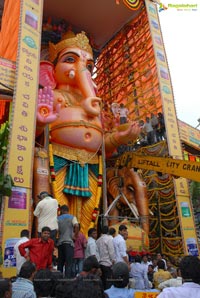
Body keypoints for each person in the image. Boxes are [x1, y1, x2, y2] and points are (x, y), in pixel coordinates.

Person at [57, 204, 78, 278]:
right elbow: (76, 225)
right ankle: (67, 280)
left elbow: (56, 230)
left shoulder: (58, 218)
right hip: (69, 243)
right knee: (69, 264)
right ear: (67, 210)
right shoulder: (72, 217)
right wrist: (75, 235)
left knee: (60, 264)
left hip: (60, 243)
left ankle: (59, 280)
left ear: (62, 210)